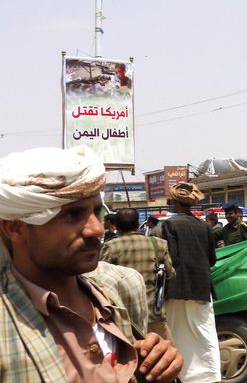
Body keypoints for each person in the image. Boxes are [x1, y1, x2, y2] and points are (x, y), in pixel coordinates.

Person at [0, 146, 182, 382]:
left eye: (96, 211)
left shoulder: (118, 288)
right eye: (72, 215)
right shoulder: (6, 327)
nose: (97, 229)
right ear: (15, 228)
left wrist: (159, 365)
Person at [159, 182, 220, 382]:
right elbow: (212, 259)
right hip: (202, 287)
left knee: (176, 332)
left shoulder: (170, 224)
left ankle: (182, 375)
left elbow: (172, 258)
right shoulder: (205, 227)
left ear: (175, 203)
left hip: (177, 287)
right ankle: (210, 376)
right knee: (205, 332)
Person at [101, 208, 176, 339]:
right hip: (154, 314)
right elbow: (170, 275)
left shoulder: (111, 247)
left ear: (117, 226)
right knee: (163, 355)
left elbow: (100, 281)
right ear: (138, 224)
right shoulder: (158, 244)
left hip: (123, 319)